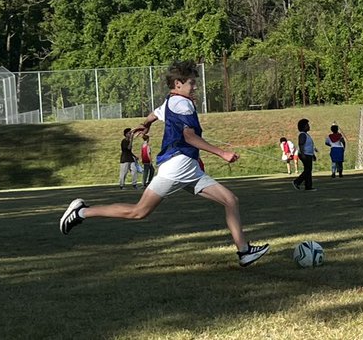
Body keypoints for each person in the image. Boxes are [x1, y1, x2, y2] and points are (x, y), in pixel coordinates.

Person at [58, 61, 270, 267]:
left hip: (189, 168)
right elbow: (189, 137)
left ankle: (244, 252)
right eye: (191, 83)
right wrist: (222, 153)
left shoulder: (171, 101)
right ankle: (81, 212)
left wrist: (145, 125)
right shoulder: (182, 103)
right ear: (178, 83)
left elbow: (154, 114)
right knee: (139, 212)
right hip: (177, 168)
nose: (194, 87)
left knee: (230, 200)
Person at [293, 119, 316, 190]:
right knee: (308, 170)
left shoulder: (306, 134)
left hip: (308, 154)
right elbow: (301, 144)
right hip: (305, 154)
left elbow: (309, 146)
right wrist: (302, 154)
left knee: (308, 170)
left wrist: (313, 155)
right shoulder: (302, 134)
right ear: (303, 126)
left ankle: (308, 186)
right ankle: (297, 181)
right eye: (307, 125)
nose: (309, 126)